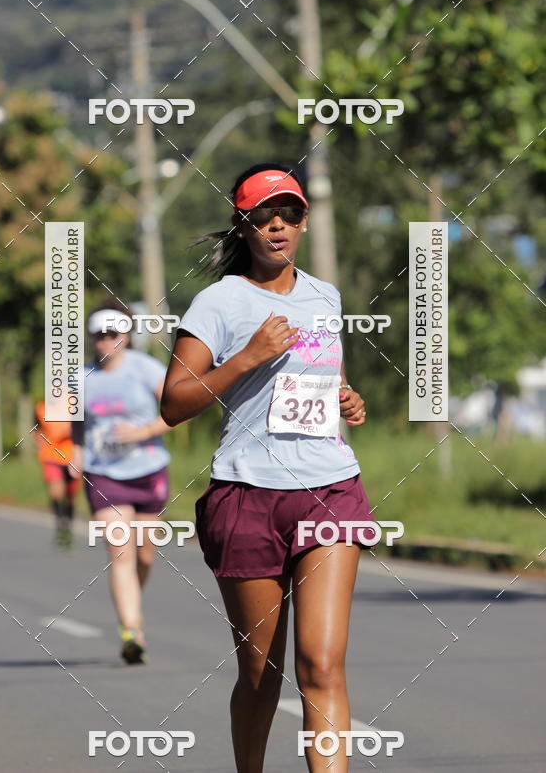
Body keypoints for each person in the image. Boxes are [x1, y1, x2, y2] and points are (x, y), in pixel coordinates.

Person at [161, 163, 375, 773]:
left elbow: (324, 377)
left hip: (329, 488)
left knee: (323, 666)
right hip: (248, 495)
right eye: (264, 215)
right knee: (262, 675)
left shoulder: (325, 296)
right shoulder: (220, 302)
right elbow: (173, 403)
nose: (278, 224)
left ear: (305, 221)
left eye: (290, 213)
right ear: (244, 224)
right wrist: (247, 357)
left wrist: (347, 398)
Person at [71, 298, 173, 664]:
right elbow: (76, 424)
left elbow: (178, 409)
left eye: (112, 334)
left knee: (144, 554)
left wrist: (144, 431)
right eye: (98, 335)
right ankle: (131, 630)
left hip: (148, 470)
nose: (105, 340)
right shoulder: (80, 377)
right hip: (104, 474)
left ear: (127, 335)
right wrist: (76, 452)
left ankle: (134, 602)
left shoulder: (147, 369)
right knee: (120, 552)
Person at [34, 401, 78, 549]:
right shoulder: (41, 408)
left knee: (70, 496)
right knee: (57, 493)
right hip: (51, 457)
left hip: (72, 457)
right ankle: (60, 525)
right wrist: (40, 442)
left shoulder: (74, 405)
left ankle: (68, 525)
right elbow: (37, 429)